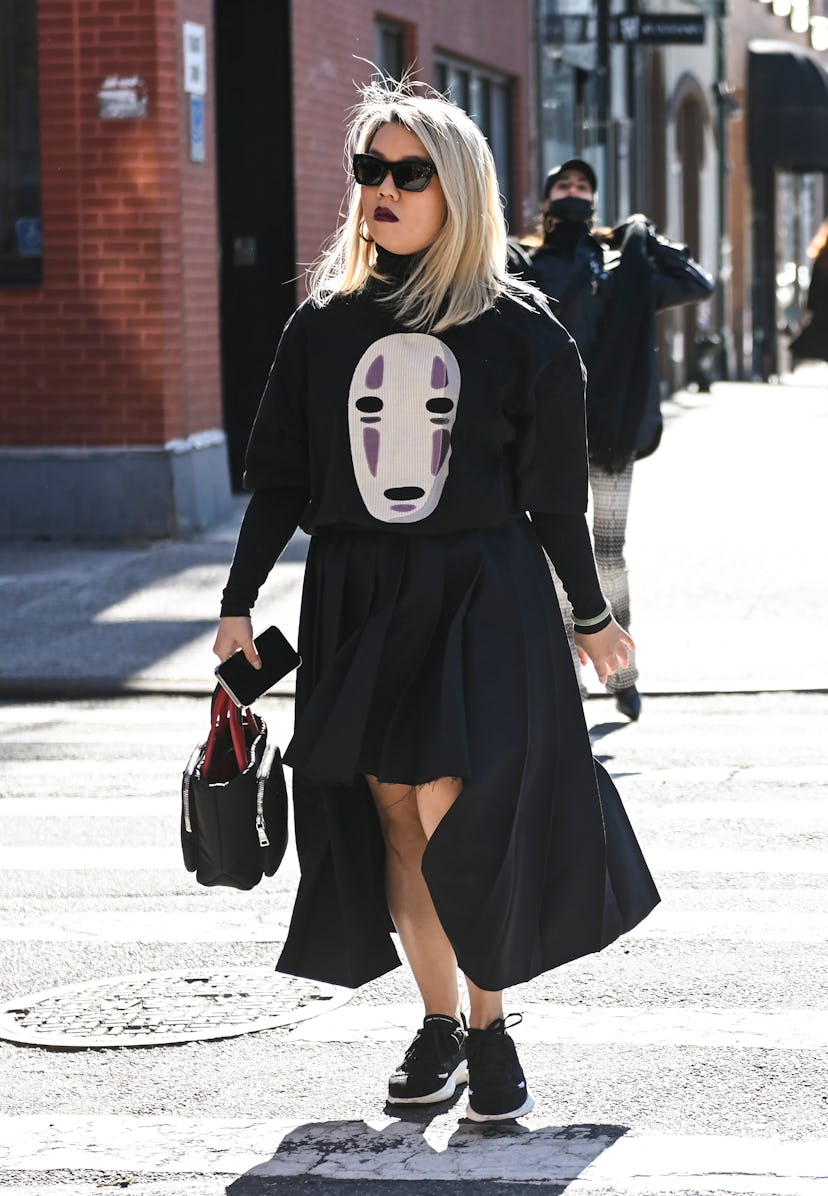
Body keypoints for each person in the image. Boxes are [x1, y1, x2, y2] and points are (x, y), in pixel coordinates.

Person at [213, 81, 659, 1123]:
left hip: (479, 591)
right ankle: (439, 1024)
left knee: (457, 811)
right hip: (359, 591)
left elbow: (556, 498)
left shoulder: (525, 331)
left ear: (456, 188)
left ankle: (493, 1029)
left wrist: (591, 616)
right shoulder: (322, 324)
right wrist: (239, 600)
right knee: (396, 821)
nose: (384, 189)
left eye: (410, 172)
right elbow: (281, 474)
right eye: (370, 169)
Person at [525, 160, 714, 721]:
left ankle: (621, 672)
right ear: (547, 199)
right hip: (548, 431)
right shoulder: (528, 267)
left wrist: (646, 238)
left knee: (608, 553)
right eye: (564, 187)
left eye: (584, 188)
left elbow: (697, 283)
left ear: (596, 199)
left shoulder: (619, 267)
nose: (573, 195)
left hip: (610, 432)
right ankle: (568, 685)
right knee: (557, 560)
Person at [790, 219, 828, 364]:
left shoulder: (822, 257)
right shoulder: (822, 258)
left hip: (823, 314)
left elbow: (814, 289)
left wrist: (811, 309)